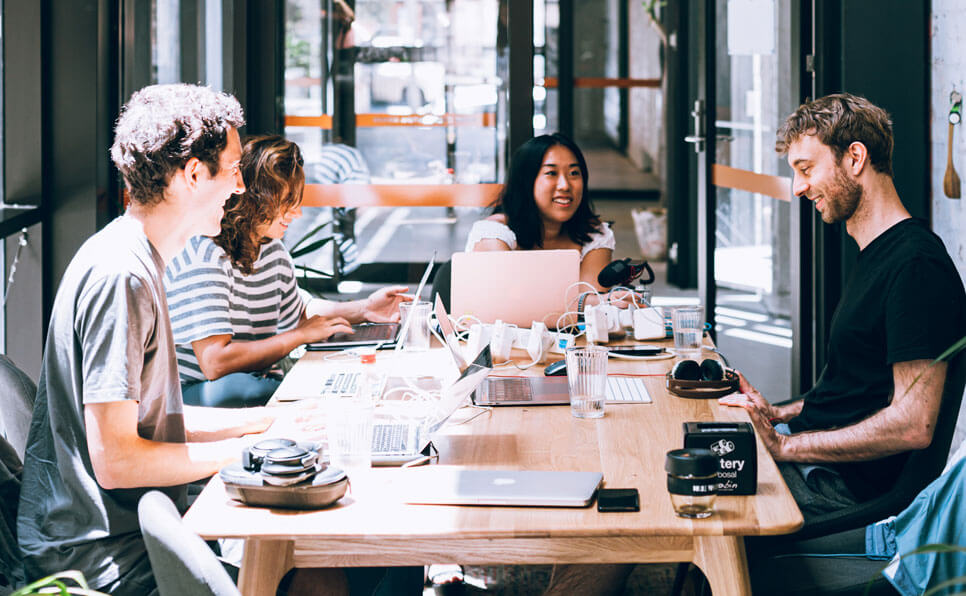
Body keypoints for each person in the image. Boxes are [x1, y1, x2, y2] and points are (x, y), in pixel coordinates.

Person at [543, 93, 966, 596]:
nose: (798, 186)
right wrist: (778, 414)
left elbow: (913, 423)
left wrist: (785, 447)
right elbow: (860, 391)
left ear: (855, 159)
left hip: (838, 488)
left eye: (807, 168)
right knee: (638, 474)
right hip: (816, 466)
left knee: (643, 496)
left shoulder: (916, 266)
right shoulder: (877, 254)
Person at [15, 84, 280, 595]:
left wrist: (265, 424)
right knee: (318, 567)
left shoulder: (135, 257)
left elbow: (149, 425)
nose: (241, 187)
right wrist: (247, 452)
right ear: (193, 175)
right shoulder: (123, 275)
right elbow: (117, 461)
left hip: (125, 534)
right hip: (104, 558)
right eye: (232, 169)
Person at [166, 135, 409, 409]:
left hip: (252, 381)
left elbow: (301, 311)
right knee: (249, 390)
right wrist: (298, 336)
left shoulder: (272, 250)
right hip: (193, 393)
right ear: (255, 199)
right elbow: (215, 363)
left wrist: (365, 309)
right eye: (287, 201)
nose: (296, 213)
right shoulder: (205, 255)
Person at [465, 133, 615, 290]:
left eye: (574, 173)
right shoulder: (493, 234)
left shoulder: (594, 235)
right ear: (526, 182)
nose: (564, 185)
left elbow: (591, 302)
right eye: (551, 173)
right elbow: (509, 298)